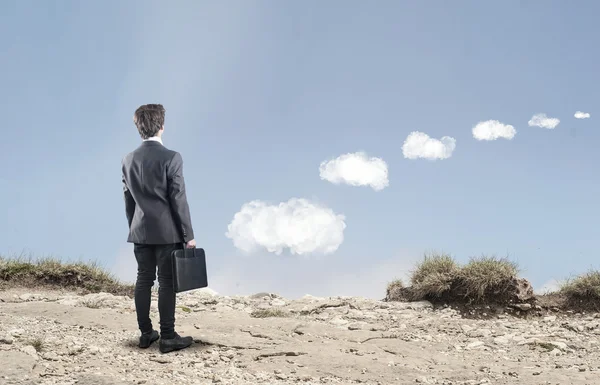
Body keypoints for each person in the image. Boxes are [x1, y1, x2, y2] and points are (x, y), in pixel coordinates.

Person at [121, 103, 196, 353]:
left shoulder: (128, 159)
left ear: (138, 128)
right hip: (167, 232)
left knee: (143, 279)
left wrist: (135, 226)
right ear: (162, 126)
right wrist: (188, 235)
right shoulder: (172, 157)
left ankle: (145, 334)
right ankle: (167, 337)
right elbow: (178, 199)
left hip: (140, 231)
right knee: (166, 283)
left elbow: (128, 200)